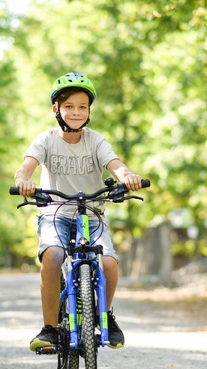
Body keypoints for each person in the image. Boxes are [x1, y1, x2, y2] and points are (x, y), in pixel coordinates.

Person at [13, 72, 145, 351]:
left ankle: (105, 315)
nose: (76, 112)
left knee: (108, 263)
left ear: (89, 111)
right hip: (55, 212)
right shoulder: (46, 140)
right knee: (53, 256)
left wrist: (128, 176)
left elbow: (116, 164)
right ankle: (49, 328)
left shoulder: (95, 141)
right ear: (56, 110)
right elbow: (26, 167)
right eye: (69, 106)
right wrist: (23, 181)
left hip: (91, 214)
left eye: (82, 106)